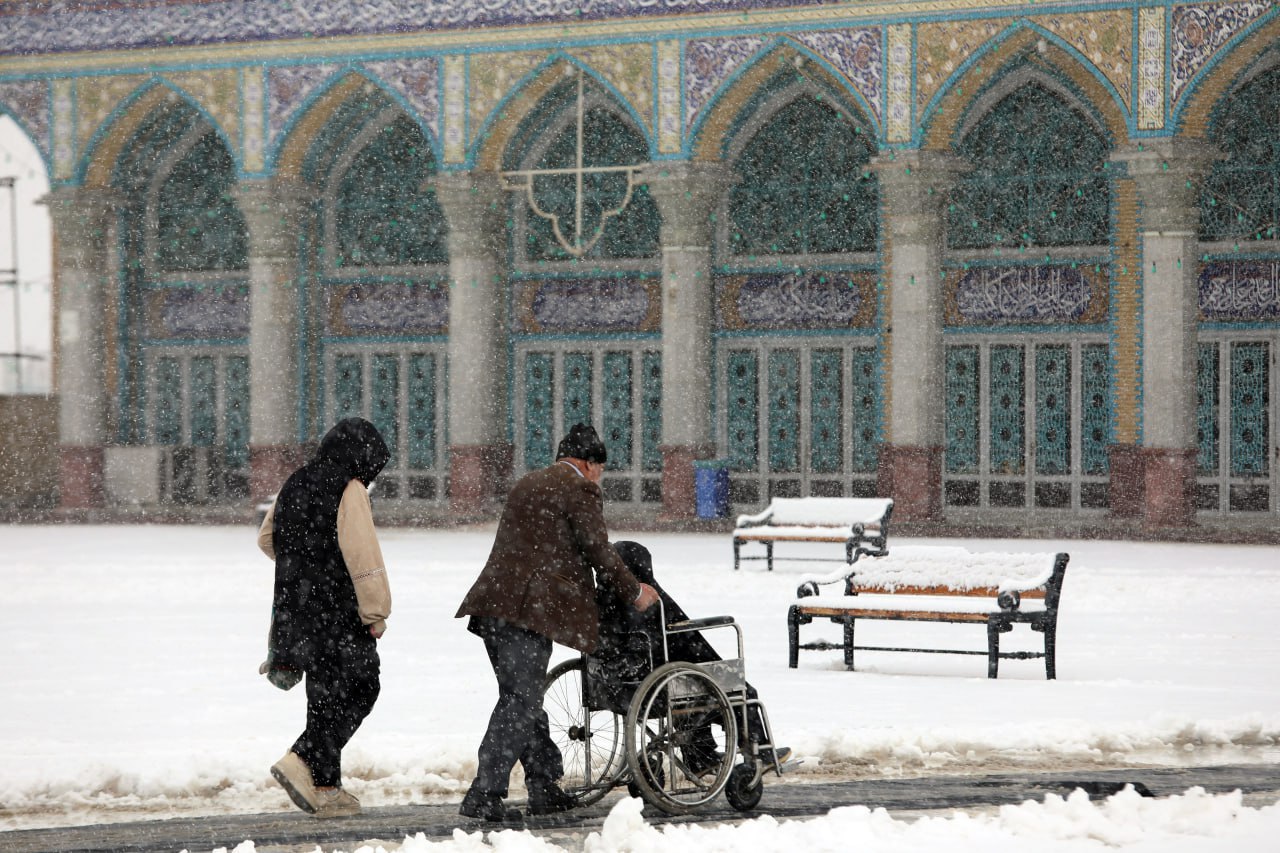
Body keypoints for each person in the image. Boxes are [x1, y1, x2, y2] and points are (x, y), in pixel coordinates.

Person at [455, 423, 660, 822]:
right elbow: (598, 550)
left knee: (523, 694)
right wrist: (633, 591)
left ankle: (544, 785)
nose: (599, 478)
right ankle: (484, 793)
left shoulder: (528, 482)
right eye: (600, 469)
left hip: (493, 604)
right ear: (589, 463)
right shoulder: (579, 488)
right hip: (529, 612)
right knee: (522, 699)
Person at [257, 417, 393, 819]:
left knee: (323, 698)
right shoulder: (348, 488)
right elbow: (363, 556)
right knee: (362, 687)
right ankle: (302, 757)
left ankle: (327, 789)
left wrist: (303, 565)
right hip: (339, 612)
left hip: (297, 611)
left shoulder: (295, 481)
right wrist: (375, 611)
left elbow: (268, 539)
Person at [598, 540, 790, 773]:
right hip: (662, 683)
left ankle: (701, 756)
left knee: (687, 682)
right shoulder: (650, 599)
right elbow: (686, 639)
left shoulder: (601, 601)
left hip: (615, 688)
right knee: (736, 689)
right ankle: (760, 750)